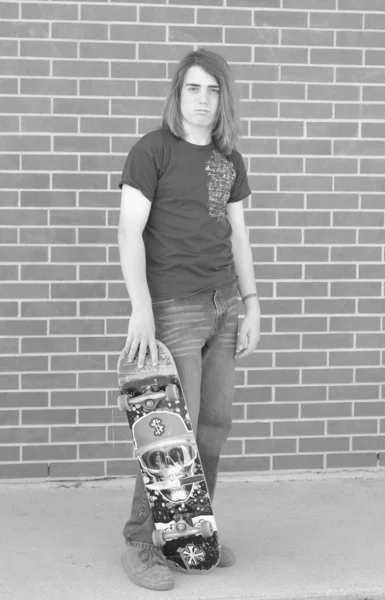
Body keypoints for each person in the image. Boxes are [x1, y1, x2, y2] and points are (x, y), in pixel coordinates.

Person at [118, 48, 260, 591]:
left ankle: (188, 536)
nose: (202, 100)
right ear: (178, 93)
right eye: (193, 89)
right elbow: (130, 232)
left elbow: (239, 235)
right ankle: (139, 540)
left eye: (213, 91)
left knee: (213, 426)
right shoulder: (151, 151)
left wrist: (252, 303)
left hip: (225, 305)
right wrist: (141, 310)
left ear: (224, 99)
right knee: (166, 434)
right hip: (173, 309)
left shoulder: (230, 160)